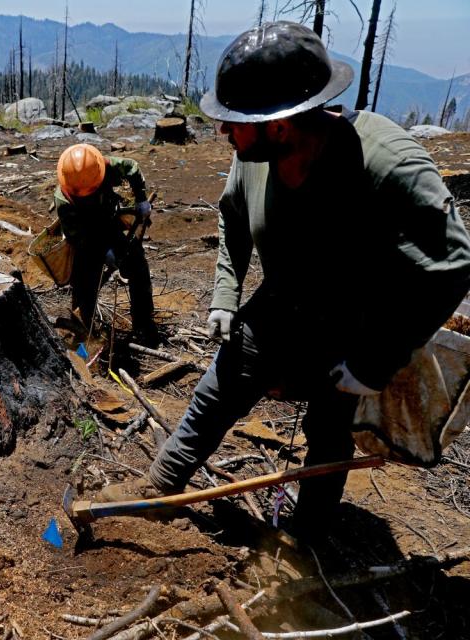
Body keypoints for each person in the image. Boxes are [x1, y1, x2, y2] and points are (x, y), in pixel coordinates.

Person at [96, 21, 470, 539]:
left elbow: (450, 264)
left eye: (235, 123)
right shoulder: (252, 159)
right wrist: (226, 294)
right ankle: (161, 488)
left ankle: (306, 537)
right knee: (219, 386)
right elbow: (231, 216)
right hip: (283, 302)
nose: (224, 132)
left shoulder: (386, 165)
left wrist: (373, 362)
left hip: (354, 323)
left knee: (327, 427)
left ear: (280, 125)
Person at [54, 143, 158, 345]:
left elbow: (132, 167)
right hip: (86, 239)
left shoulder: (103, 165)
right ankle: (88, 334)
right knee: (84, 286)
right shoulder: (64, 202)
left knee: (137, 265)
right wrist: (104, 252)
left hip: (109, 222)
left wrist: (141, 199)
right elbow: (78, 238)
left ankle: (143, 323)